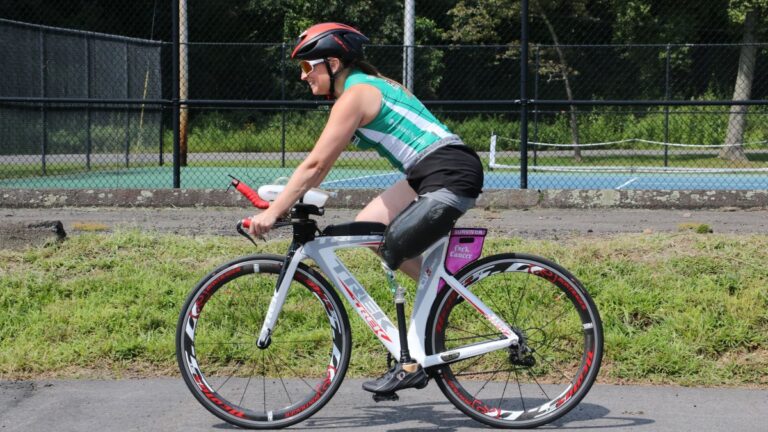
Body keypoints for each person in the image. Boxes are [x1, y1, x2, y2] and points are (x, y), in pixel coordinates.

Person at [248, 22, 484, 397]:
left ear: (334, 62)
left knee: (392, 245)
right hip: (431, 171)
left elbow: (315, 166)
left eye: (308, 66)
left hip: (446, 171)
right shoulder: (372, 84)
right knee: (368, 227)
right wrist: (285, 200)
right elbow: (318, 168)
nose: (303, 75)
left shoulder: (355, 95)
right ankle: (441, 299)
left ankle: (416, 352)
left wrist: (273, 212)